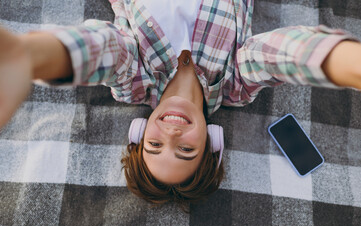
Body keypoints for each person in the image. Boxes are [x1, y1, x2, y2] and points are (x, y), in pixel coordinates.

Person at [0, 0, 361, 209]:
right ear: (211, 142)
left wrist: (29, 58)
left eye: (155, 144)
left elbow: (101, 49)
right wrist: (352, 66)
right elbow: (283, 55)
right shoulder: (235, 84)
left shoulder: (133, 82)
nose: (171, 133)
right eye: (185, 149)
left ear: (140, 133)